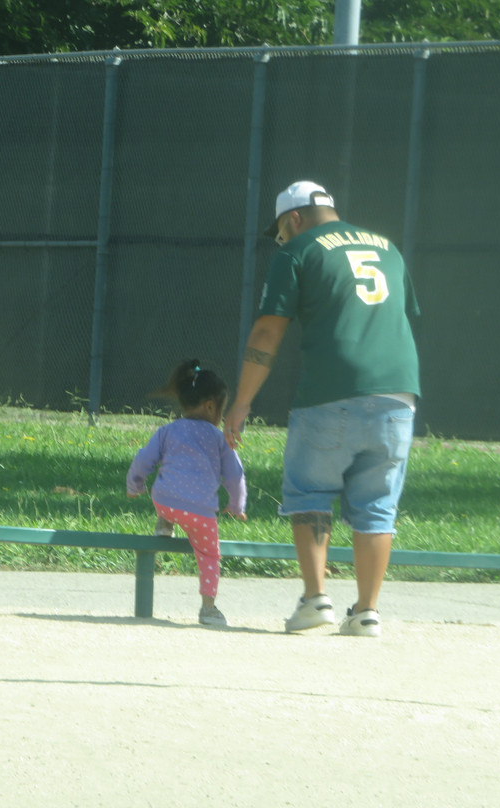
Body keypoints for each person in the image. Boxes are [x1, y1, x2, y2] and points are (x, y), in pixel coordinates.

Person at [223, 180, 420, 638]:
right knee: (377, 507)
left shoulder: (297, 251)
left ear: (293, 219)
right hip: (399, 394)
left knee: (310, 492)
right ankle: (367, 612)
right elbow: (401, 313)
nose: (282, 240)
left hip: (331, 392)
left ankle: (315, 601)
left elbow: (267, 334)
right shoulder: (388, 248)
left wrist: (242, 403)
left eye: (280, 231)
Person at [127, 359, 248, 627]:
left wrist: (134, 486)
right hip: (201, 513)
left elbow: (143, 460)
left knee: (168, 490)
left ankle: (164, 523)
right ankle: (209, 608)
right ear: (210, 406)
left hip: (165, 502)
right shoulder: (219, 439)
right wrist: (237, 505)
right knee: (208, 555)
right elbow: (235, 474)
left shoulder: (167, 431)